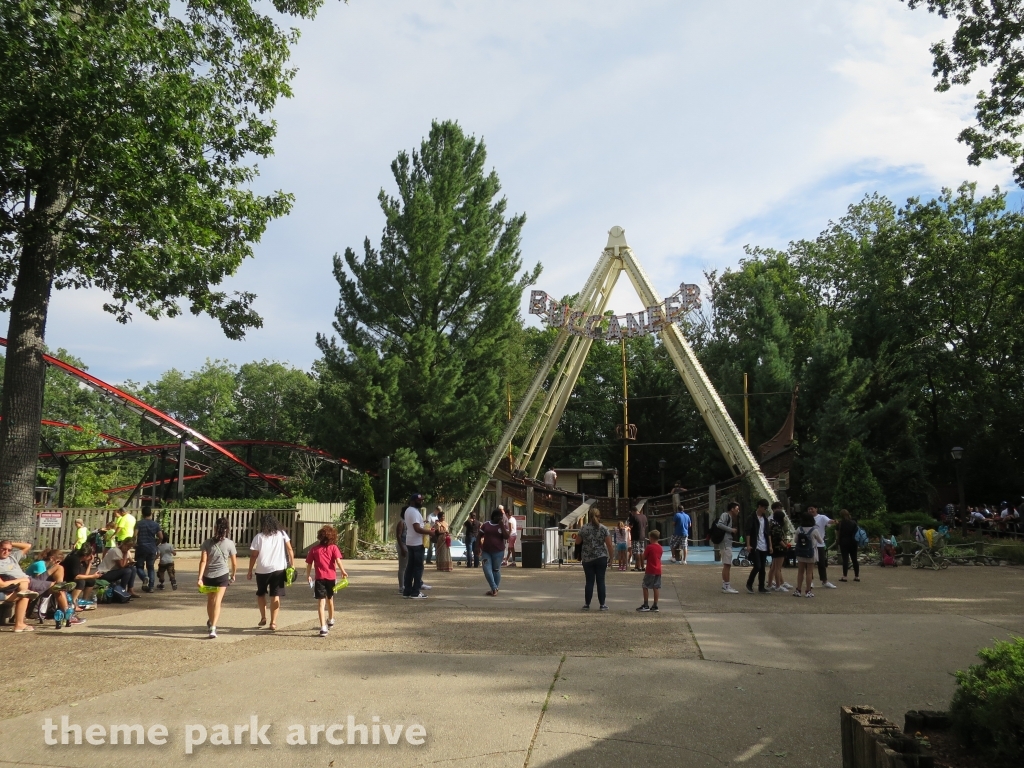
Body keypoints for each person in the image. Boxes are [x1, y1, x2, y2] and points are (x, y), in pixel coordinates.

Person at [247, 515, 294, 630]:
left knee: (261, 593)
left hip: (262, 569)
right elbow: (290, 549)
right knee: (275, 595)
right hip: (278, 569)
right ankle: (273, 622)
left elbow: (254, 555)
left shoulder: (259, 537)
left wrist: (250, 570)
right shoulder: (282, 534)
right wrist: (292, 565)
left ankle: (263, 617)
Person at [305, 525, 348, 637]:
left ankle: (323, 627)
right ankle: (331, 619)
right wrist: (343, 571)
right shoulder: (334, 548)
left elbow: (309, 564)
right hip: (331, 578)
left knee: (321, 602)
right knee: (330, 600)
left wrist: (308, 575)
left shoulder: (314, 549)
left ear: (320, 536)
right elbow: (338, 561)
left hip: (319, 578)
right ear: (332, 537)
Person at [198, 517, 237, 639]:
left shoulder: (206, 543)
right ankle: (213, 627)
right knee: (217, 601)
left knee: (210, 600)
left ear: (215, 528)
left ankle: (210, 621)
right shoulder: (230, 543)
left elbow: (203, 561)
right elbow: (234, 563)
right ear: (227, 530)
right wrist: (233, 574)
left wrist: (200, 578)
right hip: (222, 575)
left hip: (208, 575)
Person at [574, 509, 613, 611]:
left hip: (587, 558)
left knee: (589, 581)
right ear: (599, 516)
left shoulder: (584, 528)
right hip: (601, 557)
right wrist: (611, 558)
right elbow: (609, 545)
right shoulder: (604, 528)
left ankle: (587, 604)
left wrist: (577, 554)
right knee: (601, 581)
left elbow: (577, 542)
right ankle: (602, 604)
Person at [0, 540, 38, 632]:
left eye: (9, 550)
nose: (6, 551)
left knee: (25, 594)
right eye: (3, 549)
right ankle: (19, 624)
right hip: (7, 589)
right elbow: (2, 584)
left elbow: (28, 546)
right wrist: (22, 580)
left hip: (23, 583)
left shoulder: (12, 557)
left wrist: (10, 543)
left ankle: (19, 624)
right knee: (25, 594)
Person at [403, 494, 430, 599]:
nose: (421, 502)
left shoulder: (408, 510)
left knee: (410, 567)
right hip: (417, 543)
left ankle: (407, 591)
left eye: (421, 500)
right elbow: (417, 529)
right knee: (418, 568)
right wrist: (430, 532)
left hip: (410, 541)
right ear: (413, 501)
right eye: (419, 500)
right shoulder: (414, 512)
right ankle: (415, 592)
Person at [793, 511, 823, 598]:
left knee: (800, 572)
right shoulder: (814, 530)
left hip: (801, 553)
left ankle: (798, 590)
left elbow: (795, 540)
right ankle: (808, 591)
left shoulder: (799, 529)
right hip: (811, 553)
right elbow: (821, 541)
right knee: (809, 572)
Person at [745, 499, 773, 594]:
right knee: (757, 566)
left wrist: (770, 545)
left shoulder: (765, 519)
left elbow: (768, 533)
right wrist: (748, 544)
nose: (765, 509)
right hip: (755, 545)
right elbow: (748, 532)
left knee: (762, 568)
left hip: (764, 545)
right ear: (760, 506)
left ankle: (761, 587)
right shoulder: (752, 517)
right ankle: (749, 583)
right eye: (764, 507)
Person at [479, 508, 509, 596]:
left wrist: (502, 526)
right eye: (498, 516)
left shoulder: (503, 526)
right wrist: (477, 547)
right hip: (486, 551)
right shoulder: (486, 525)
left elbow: (506, 536)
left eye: (501, 517)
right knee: (486, 569)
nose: (500, 518)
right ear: (494, 516)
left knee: (496, 570)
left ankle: (494, 589)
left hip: (498, 552)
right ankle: (494, 587)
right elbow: (479, 536)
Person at [809, 505, 837, 589]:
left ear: (816, 509)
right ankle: (810, 581)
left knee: (821, 563)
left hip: (820, 544)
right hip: (810, 544)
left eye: (812, 509)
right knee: (810, 563)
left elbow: (829, 521)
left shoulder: (821, 517)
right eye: (809, 509)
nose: (810, 510)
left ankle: (824, 581)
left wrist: (834, 521)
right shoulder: (807, 518)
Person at [134, 509, 161, 591]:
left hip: (141, 547)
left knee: (139, 566)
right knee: (150, 567)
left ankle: (144, 577)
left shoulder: (139, 523)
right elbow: (161, 537)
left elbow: (135, 535)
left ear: (142, 514)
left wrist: (134, 544)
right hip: (151, 548)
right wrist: (156, 544)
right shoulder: (155, 524)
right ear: (151, 514)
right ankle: (151, 587)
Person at [717, 501, 740, 593]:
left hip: (727, 542)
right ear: (732, 509)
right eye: (737, 509)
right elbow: (719, 524)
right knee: (727, 564)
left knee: (727, 564)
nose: (738, 511)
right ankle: (727, 586)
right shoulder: (725, 515)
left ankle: (725, 585)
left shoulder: (730, 517)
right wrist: (731, 530)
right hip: (725, 543)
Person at [638, 530, 663, 612]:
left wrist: (642, 555)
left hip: (650, 569)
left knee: (645, 586)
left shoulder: (649, 547)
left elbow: (644, 557)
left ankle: (646, 605)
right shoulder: (660, 547)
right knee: (656, 587)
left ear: (651, 538)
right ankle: (655, 605)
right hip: (658, 569)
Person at [767, 509, 791, 592]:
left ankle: (770, 584)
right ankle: (778, 585)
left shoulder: (772, 525)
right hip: (779, 549)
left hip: (775, 548)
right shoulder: (778, 527)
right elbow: (778, 538)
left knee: (773, 567)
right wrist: (785, 546)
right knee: (778, 568)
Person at [837, 509, 861, 582]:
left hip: (844, 542)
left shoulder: (840, 523)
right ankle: (857, 576)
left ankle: (845, 576)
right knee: (854, 559)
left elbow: (838, 533)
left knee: (845, 559)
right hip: (853, 542)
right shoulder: (854, 522)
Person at [628, 505, 648, 571]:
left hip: (635, 536)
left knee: (637, 552)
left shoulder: (633, 517)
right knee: (642, 551)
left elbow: (630, 526)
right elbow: (646, 525)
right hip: (642, 536)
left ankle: (638, 566)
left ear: (633, 511)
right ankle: (642, 566)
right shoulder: (644, 516)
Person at [396, 516, 408, 593]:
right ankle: (401, 587)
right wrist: (402, 548)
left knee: (407, 567)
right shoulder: (402, 522)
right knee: (402, 567)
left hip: (407, 545)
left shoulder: (409, 522)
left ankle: (406, 584)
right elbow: (398, 535)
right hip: (402, 545)